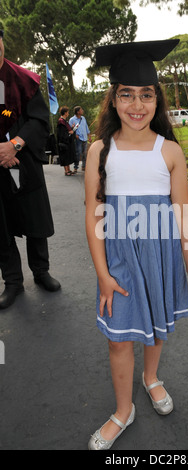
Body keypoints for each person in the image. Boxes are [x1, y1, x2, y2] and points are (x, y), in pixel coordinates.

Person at [85, 39, 188, 450]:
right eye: (127, 95)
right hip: (118, 258)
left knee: (155, 328)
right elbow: (93, 215)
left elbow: (184, 212)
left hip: (160, 256)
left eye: (146, 95)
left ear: (157, 100)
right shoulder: (99, 151)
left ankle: (151, 378)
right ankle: (123, 410)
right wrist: (102, 275)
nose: (137, 105)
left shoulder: (169, 151)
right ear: (114, 100)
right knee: (119, 338)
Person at [0, 29, 61, 310]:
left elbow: (38, 121)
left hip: (24, 161)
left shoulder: (24, 79)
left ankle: (41, 272)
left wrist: (15, 145)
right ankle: (12, 282)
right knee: (1, 225)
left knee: (34, 218)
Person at [69, 106, 92, 172]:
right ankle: (76, 167)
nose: (82, 110)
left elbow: (86, 127)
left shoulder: (83, 118)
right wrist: (75, 135)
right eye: (81, 110)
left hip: (84, 138)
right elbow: (70, 129)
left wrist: (89, 136)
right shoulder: (72, 119)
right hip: (78, 139)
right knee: (78, 153)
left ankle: (84, 166)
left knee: (84, 153)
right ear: (78, 112)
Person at [57, 106, 76, 176]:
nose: (68, 113)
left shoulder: (64, 121)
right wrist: (69, 133)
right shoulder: (61, 122)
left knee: (67, 156)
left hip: (67, 142)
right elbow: (62, 134)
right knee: (65, 156)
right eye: (67, 112)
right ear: (65, 113)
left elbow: (67, 130)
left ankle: (68, 169)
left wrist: (72, 128)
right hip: (63, 142)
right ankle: (66, 171)